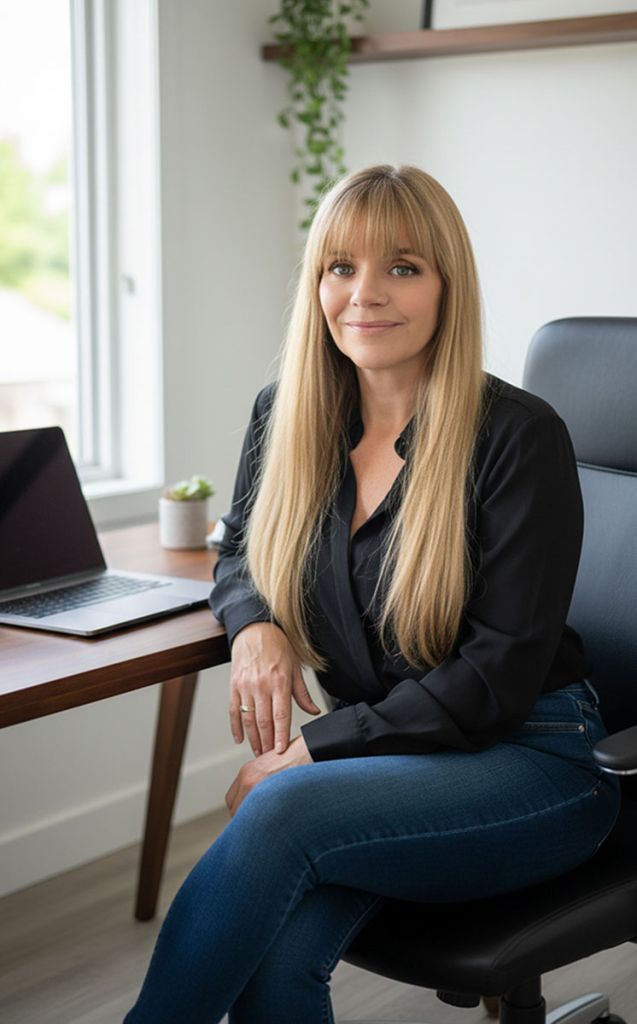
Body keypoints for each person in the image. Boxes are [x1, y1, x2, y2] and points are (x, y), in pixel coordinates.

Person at [124, 165, 620, 1024]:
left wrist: (311, 749)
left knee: (278, 810)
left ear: (445, 287)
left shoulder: (516, 436)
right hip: (390, 758)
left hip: (535, 759)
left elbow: (494, 681)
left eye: (401, 267)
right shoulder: (285, 415)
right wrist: (255, 628)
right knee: (276, 962)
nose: (364, 294)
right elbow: (239, 549)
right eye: (339, 267)